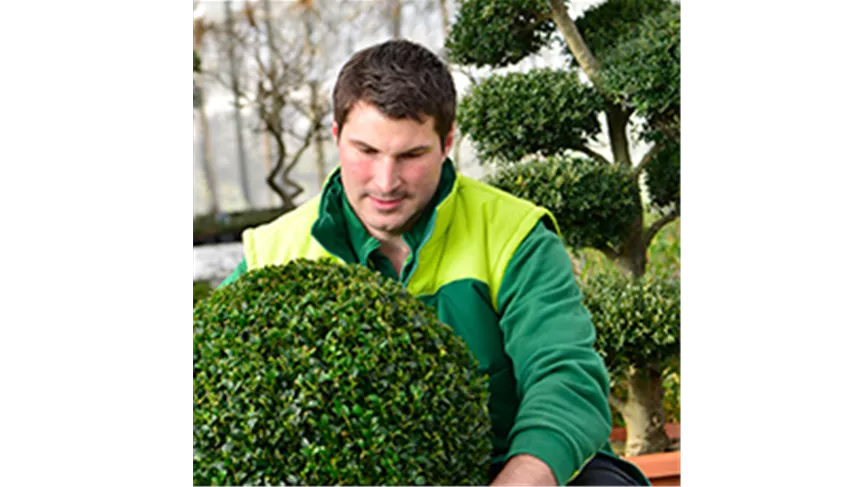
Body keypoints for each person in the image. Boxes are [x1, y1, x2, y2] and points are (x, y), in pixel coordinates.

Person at [218, 39, 650, 487]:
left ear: (446, 143)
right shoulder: (272, 251)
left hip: (510, 470)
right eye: (366, 151)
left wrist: (520, 476)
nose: (386, 182)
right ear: (336, 137)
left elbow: (565, 378)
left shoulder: (513, 235)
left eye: (410, 156)